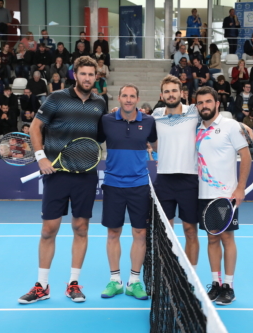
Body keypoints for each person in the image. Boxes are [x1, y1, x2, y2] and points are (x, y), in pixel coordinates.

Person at [17, 56, 106, 304]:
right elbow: (35, 127)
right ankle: (42, 286)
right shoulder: (56, 98)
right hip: (55, 173)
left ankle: (73, 283)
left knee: (81, 228)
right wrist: (40, 157)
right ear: (74, 75)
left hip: (85, 174)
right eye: (83, 74)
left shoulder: (100, 102)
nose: (87, 78)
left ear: (96, 77)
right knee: (49, 230)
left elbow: (101, 134)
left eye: (92, 74)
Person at [96, 84, 156, 300]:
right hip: (113, 185)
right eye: (125, 96)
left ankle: (134, 281)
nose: (128, 99)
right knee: (113, 233)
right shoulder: (106, 121)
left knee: (140, 233)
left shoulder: (149, 121)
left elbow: (158, 144)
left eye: (132, 96)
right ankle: (115, 280)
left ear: (137, 99)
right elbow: (93, 139)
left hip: (139, 185)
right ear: (119, 99)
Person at [194, 86, 251, 306]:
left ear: (217, 103)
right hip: (203, 195)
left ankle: (229, 286)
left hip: (225, 195)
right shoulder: (197, 128)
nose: (204, 106)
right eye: (200, 103)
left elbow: (245, 157)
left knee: (227, 238)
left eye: (208, 102)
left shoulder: (230, 126)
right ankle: (215, 283)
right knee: (211, 238)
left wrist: (240, 188)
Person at [152, 75, 201, 270]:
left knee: (190, 231)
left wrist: (241, 125)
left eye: (174, 91)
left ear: (182, 93)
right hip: (164, 179)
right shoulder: (155, 114)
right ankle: (168, 273)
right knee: (165, 231)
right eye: (167, 91)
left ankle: (191, 277)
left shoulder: (194, 112)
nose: (171, 95)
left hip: (189, 179)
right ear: (161, 95)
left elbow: (217, 119)